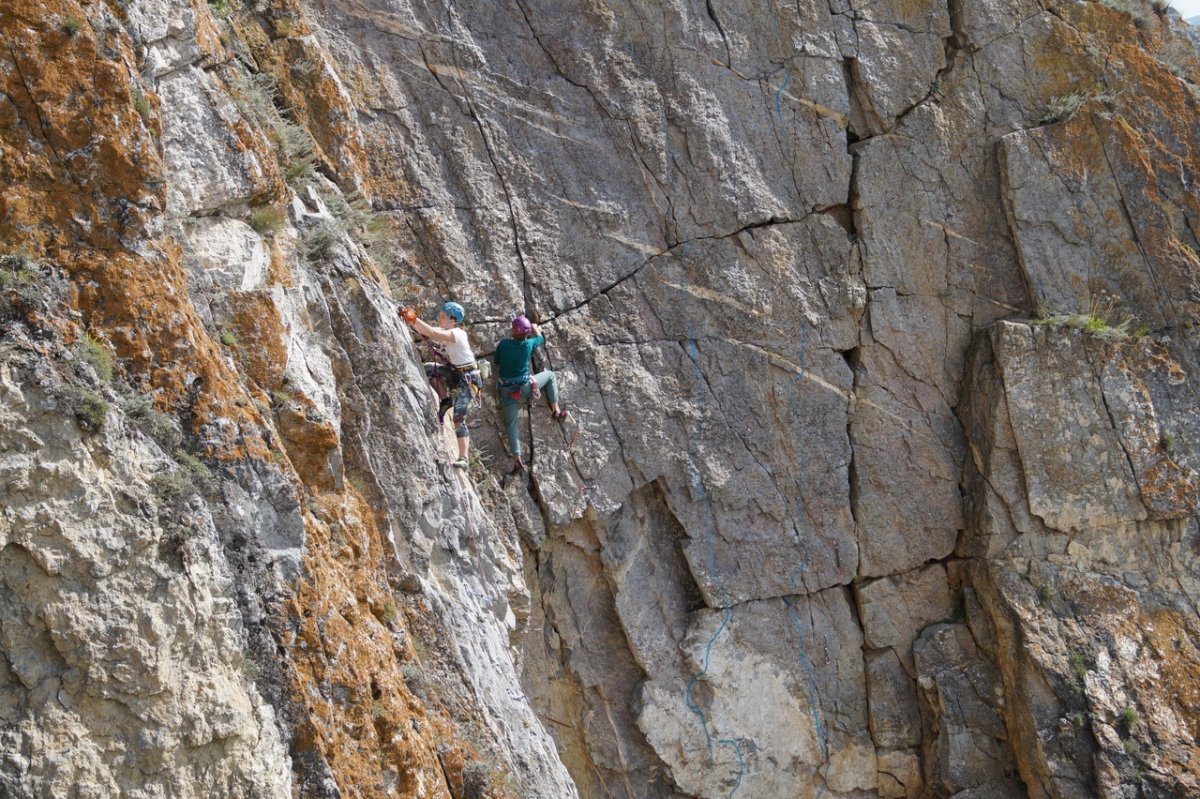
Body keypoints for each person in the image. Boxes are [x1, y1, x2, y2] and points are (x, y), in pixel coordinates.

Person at [400, 300, 480, 469]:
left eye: (443, 316)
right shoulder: (447, 331)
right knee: (429, 370)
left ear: (453, 320)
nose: (439, 318)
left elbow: (430, 332)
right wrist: (409, 319)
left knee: (459, 417)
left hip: (469, 379)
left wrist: (412, 317)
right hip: (458, 373)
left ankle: (463, 458)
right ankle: (445, 400)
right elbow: (426, 331)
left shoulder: (457, 333)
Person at [494, 315, 567, 472]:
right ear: (526, 334)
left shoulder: (504, 344)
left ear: (513, 331)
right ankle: (556, 409)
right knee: (550, 375)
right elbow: (540, 339)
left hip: (507, 390)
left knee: (511, 424)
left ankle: (516, 458)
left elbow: (497, 361)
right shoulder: (529, 344)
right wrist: (536, 328)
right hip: (525, 388)